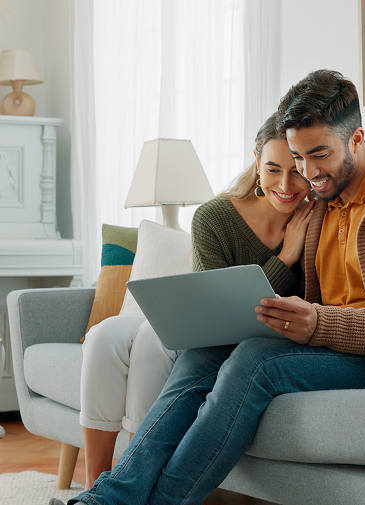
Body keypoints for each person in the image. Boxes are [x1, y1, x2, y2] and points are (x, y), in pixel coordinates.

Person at [56, 69, 365, 505]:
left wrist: (318, 323)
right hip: (328, 345)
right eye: (297, 157)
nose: (307, 174)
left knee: (256, 360)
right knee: (203, 353)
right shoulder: (323, 197)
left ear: (358, 138)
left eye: (319, 155)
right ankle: (106, 498)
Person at [76, 112, 313, 489]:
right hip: (202, 324)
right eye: (272, 169)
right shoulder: (215, 216)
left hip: (232, 339)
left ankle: (131, 484)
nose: (286, 184)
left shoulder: (315, 221)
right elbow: (214, 310)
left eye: (296, 170)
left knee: (153, 343)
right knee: (104, 336)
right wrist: (284, 259)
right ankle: (96, 484)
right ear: (256, 163)